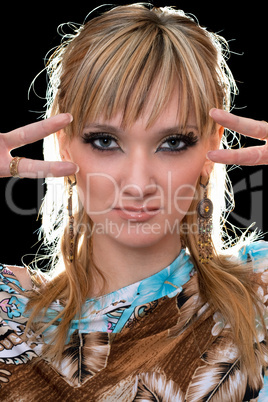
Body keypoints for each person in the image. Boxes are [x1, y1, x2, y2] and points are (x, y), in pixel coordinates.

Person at [0, 3, 267, 401]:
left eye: (173, 143)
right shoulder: (9, 311)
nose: (139, 183)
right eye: (105, 141)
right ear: (62, 145)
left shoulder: (260, 291)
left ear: (212, 148)